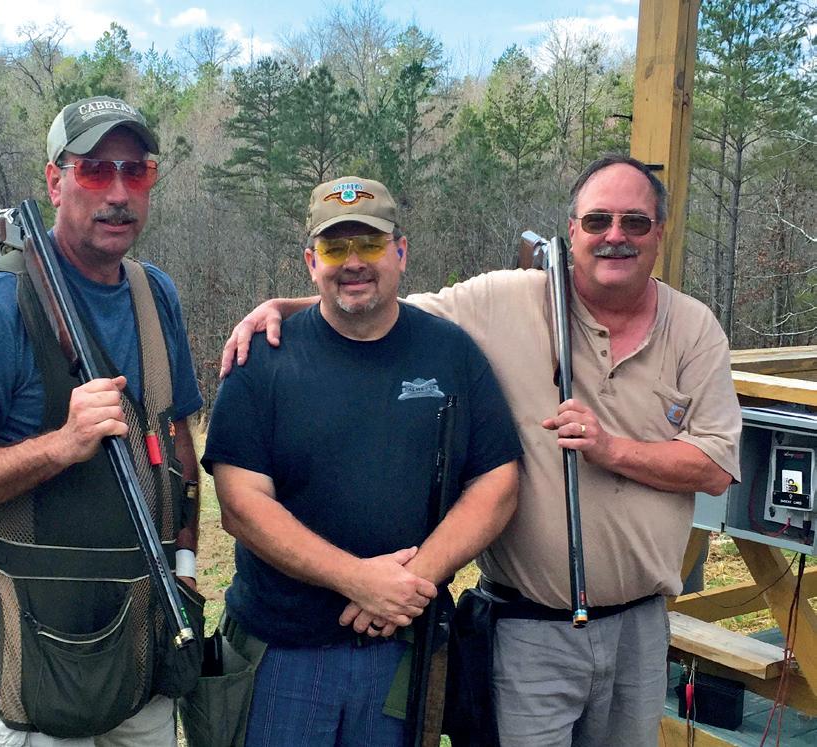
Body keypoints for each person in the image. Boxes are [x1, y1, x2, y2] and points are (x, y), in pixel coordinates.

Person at [219, 156, 742, 746]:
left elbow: (716, 467)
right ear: (572, 231)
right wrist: (285, 308)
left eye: (634, 222)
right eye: (597, 221)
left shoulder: (694, 327)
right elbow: (378, 307)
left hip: (638, 622)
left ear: (659, 232)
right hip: (524, 627)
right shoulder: (502, 300)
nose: (614, 236)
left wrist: (610, 450)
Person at [0, 96, 204, 746]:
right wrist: (60, 446)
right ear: (54, 182)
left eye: (136, 171)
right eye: (94, 170)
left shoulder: (156, 293)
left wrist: (184, 561)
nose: (118, 193)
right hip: (32, 636)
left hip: (148, 626)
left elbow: (176, 438)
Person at [201, 176, 522, 746]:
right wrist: (358, 579)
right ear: (311, 262)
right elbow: (241, 506)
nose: (353, 262)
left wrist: (407, 583)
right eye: (334, 247)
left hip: (403, 647)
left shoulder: (451, 352)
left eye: (370, 244)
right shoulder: (263, 361)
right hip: (282, 652)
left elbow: (497, 482)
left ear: (401, 252)